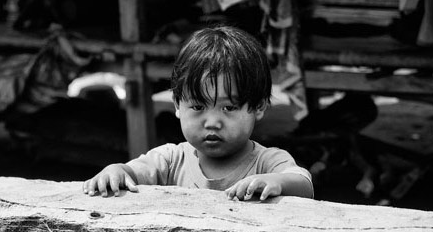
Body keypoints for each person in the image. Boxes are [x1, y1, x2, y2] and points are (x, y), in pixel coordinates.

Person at [83, 26, 314, 201]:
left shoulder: (267, 162)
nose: (212, 122)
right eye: (198, 107)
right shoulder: (170, 161)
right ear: (177, 105)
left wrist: (275, 182)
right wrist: (115, 170)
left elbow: (303, 184)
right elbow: (130, 172)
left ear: (259, 107)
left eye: (229, 108)